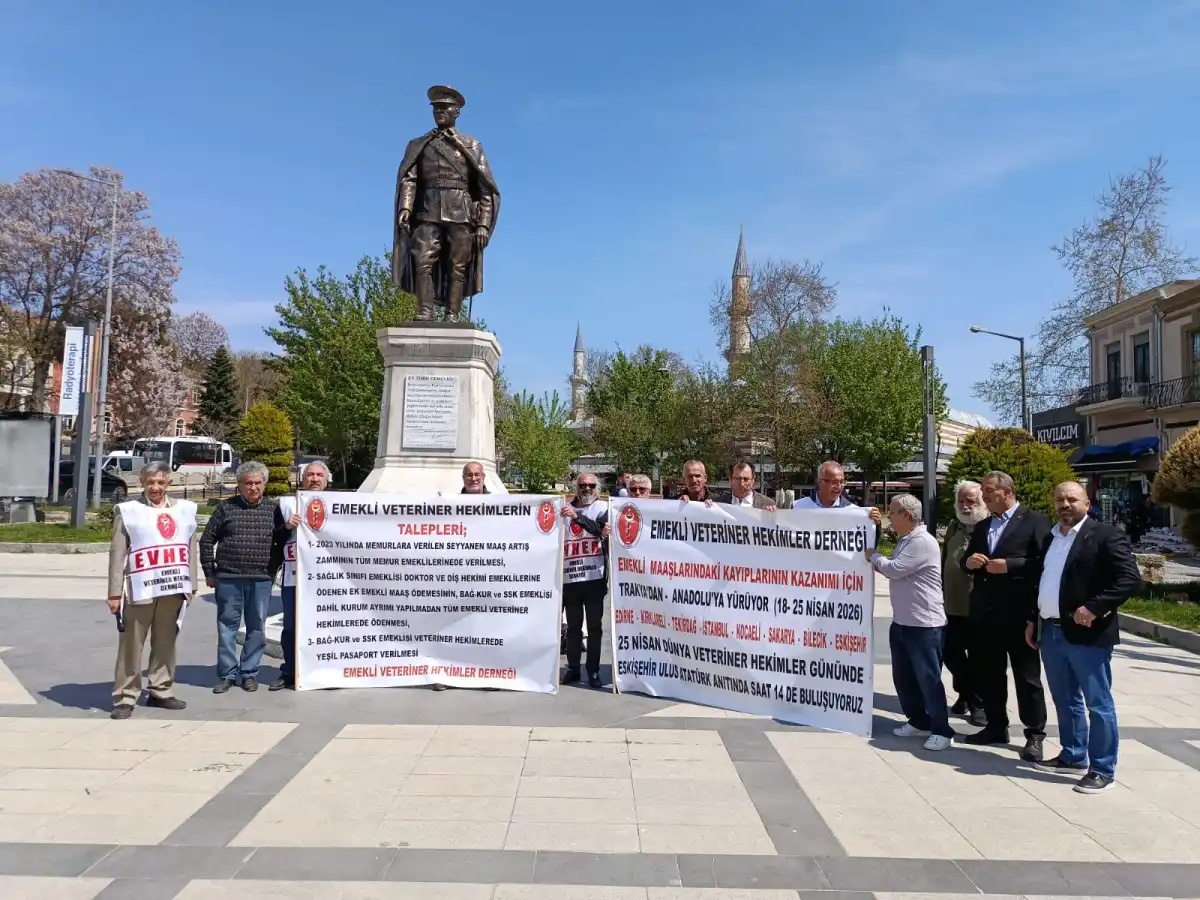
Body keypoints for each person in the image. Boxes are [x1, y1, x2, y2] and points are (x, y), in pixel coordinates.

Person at [1030, 481, 1140, 794]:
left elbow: (1130, 579)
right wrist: (1032, 620)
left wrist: (1095, 607)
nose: (1065, 505)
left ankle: (1103, 769)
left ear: (1087, 504)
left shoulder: (1105, 535)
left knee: (1098, 703)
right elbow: (1044, 581)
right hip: (1051, 630)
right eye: (1059, 499)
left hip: (1087, 634)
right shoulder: (1051, 537)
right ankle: (1073, 755)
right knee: (1065, 699)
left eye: (1072, 499)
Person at [961, 470, 1051, 761]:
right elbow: (966, 562)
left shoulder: (1035, 521)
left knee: (1027, 677)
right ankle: (996, 725)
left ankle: (1034, 734)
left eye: (989, 491)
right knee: (988, 673)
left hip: (1019, 613)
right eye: (984, 491)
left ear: (1007, 492)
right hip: (985, 613)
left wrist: (1010, 566)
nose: (984, 496)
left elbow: (1044, 563)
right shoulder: (983, 526)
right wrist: (969, 562)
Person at [392, 85, 500, 320]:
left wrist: (483, 224)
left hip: (461, 212)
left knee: (458, 266)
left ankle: (452, 314)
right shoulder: (419, 144)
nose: (439, 112)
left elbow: (486, 189)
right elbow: (409, 179)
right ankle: (425, 311)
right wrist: (405, 206)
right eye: (436, 108)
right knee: (422, 259)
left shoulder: (471, 146)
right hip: (427, 210)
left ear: (457, 112)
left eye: (444, 108)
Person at [106, 462, 200, 720]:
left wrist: (191, 585)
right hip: (140, 588)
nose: (155, 487)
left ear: (168, 482)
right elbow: (117, 553)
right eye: (150, 482)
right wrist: (114, 593)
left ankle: (160, 689)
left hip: (173, 588)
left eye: (160, 482)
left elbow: (190, 548)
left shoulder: (184, 510)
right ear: (142, 482)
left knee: (166, 642)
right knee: (131, 645)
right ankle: (125, 696)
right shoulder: (129, 511)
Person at [866, 494, 954, 750]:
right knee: (903, 677)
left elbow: (894, 569)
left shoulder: (923, 542)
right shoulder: (907, 539)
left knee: (928, 679)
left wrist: (873, 556)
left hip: (925, 624)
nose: (890, 517)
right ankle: (918, 720)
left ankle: (942, 729)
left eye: (892, 513)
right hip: (903, 621)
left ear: (906, 515)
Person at [200, 461, 279, 694]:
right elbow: (207, 539)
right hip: (228, 577)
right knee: (227, 627)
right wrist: (209, 571)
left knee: (257, 627)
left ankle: (249, 673)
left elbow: (282, 541)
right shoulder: (226, 508)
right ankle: (226, 674)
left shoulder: (274, 510)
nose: (253, 487)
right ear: (239, 485)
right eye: (248, 483)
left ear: (264, 484)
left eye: (257, 483)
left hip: (260, 579)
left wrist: (272, 571)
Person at [271, 460, 330, 691]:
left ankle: (323, 670)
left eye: (319, 475)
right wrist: (287, 527)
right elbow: (274, 538)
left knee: (325, 626)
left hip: (327, 580)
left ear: (326, 480)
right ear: (303, 478)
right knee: (291, 627)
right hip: (293, 579)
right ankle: (289, 672)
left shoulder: (339, 505)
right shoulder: (287, 504)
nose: (314, 479)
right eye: (310, 475)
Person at [941, 480, 987, 726]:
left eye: (971, 500)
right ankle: (965, 693)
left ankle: (977, 703)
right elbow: (944, 560)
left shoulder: (990, 527)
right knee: (950, 653)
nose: (966, 505)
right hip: (952, 604)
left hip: (980, 607)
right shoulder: (953, 526)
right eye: (961, 500)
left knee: (979, 658)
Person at [560, 474, 608, 687]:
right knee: (573, 627)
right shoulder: (564, 508)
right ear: (576, 487)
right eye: (582, 485)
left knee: (594, 627)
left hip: (594, 578)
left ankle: (593, 671)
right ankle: (573, 668)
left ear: (597, 487)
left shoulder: (603, 508)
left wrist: (576, 517)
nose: (587, 488)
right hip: (570, 577)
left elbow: (599, 530)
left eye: (591, 485)